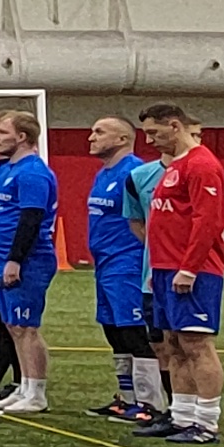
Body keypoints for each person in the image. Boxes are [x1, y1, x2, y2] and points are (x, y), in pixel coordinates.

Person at [136, 101, 224, 444]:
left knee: (197, 343)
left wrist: (189, 268)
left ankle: (206, 423)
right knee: (173, 343)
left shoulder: (202, 165)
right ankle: (182, 416)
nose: (149, 140)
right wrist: (157, 268)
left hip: (194, 271)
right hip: (164, 270)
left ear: (174, 126)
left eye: (154, 132)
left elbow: (208, 222)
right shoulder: (175, 166)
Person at [0, 108, 57, 414]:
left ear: (22, 137)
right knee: (12, 325)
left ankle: (36, 392)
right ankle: (23, 387)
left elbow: (31, 219)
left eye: (1, 132)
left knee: (26, 326)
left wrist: (16, 260)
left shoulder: (32, 173)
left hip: (29, 261)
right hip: (0, 260)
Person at [83, 114, 162, 424]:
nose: (91, 137)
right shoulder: (103, 174)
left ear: (122, 139)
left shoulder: (136, 173)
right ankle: (127, 398)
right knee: (113, 330)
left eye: (99, 132)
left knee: (133, 330)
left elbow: (148, 219)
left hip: (127, 262)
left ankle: (150, 403)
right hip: (104, 263)